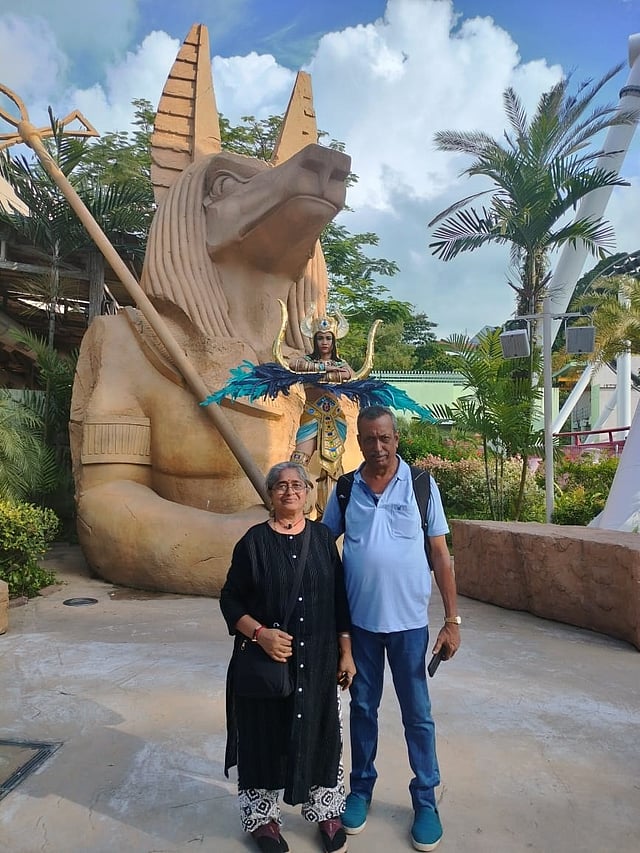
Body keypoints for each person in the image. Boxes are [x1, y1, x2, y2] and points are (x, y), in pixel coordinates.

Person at [322, 406, 461, 852]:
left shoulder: (421, 485)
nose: (377, 447)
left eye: (384, 438)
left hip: (409, 627)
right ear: (359, 442)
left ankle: (425, 800)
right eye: (369, 439)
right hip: (360, 627)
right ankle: (360, 790)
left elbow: (440, 555)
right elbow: (324, 550)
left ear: (396, 438)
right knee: (362, 710)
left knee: (417, 715)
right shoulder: (346, 489)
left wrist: (451, 621)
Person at [220, 461, 356, 853]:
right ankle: (263, 820)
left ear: (309, 492)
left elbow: (339, 602)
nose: (290, 491)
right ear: (270, 493)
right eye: (281, 485)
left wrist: (346, 653)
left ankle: (326, 810)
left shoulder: (324, 539)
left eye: (297, 484)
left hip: (318, 661)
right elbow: (230, 598)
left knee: (322, 729)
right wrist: (260, 634)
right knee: (264, 735)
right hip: (269, 663)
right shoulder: (253, 543)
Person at [289, 313, 353, 518]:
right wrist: (325, 368)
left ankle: (328, 518)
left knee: (332, 470)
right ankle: (297, 511)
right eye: (320, 337)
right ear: (314, 340)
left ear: (333, 340)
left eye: (328, 338)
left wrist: (327, 371)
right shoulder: (305, 361)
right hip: (311, 415)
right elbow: (293, 365)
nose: (324, 342)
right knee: (298, 461)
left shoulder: (341, 363)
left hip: (334, 418)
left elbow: (349, 374)